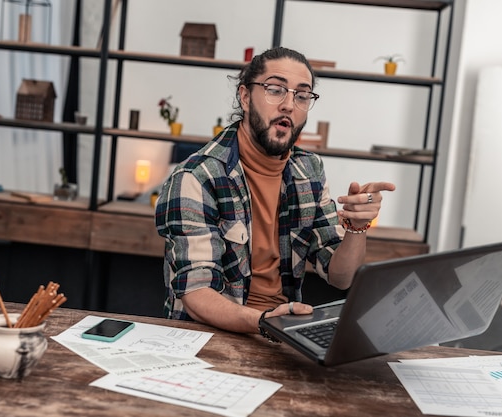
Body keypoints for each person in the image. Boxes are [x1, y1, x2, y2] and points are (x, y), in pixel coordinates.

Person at [155, 46, 396, 338]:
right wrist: (265, 322)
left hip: (282, 332)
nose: (288, 105)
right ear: (245, 97)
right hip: (209, 338)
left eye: (302, 95)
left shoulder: (309, 171)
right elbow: (195, 294)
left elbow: (340, 276)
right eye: (275, 89)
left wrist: (357, 228)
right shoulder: (196, 177)